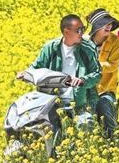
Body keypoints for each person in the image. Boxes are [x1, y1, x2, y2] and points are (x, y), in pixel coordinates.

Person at [17, 14, 101, 153]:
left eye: (83, 29)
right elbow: (36, 67)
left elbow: (97, 73)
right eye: (79, 30)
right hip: (52, 102)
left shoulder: (88, 48)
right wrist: (25, 73)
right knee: (50, 133)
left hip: (80, 102)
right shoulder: (51, 48)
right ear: (66, 31)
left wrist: (83, 80)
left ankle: (84, 158)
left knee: (85, 126)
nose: (83, 33)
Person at [86, 8, 119, 147]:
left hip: (106, 89)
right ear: (96, 27)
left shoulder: (115, 41)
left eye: (110, 24)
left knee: (107, 116)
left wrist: (94, 66)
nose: (109, 26)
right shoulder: (83, 42)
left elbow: (113, 65)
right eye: (104, 24)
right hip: (86, 90)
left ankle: (116, 148)